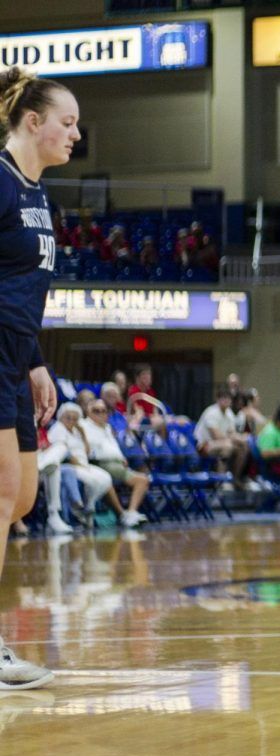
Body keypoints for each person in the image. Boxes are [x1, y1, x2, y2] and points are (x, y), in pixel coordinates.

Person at [0, 67, 79, 689]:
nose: (75, 134)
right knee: (3, 493)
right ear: (34, 122)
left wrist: (34, 360)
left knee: (22, 497)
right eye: (68, 122)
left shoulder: (37, 193)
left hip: (14, 356)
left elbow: (24, 290)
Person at [81, 399, 149, 527]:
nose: (100, 414)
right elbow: (90, 450)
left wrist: (122, 457)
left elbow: (114, 447)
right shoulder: (84, 426)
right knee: (106, 479)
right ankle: (121, 514)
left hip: (116, 464)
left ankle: (131, 512)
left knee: (143, 480)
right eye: (96, 411)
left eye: (103, 411)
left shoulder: (107, 427)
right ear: (88, 412)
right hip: (100, 463)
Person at [195, 388, 249, 486]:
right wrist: (233, 439)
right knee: (227, 446)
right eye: (223, 398)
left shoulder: (229, 413)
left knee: (243, 447)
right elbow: (216, 436)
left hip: (223, 442)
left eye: (228, 399)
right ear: (217, 399)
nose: (226, 401)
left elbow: (232, 432)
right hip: (204, 445)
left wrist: (241, 438)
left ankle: (234, 478)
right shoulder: (211, 412)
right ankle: (220, 481)